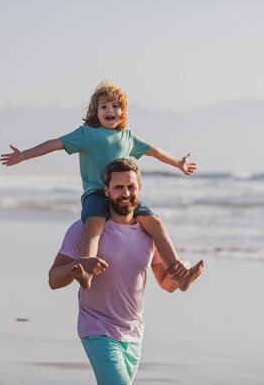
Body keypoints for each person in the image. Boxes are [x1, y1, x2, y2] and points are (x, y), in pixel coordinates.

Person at [0, 80, 200, 289]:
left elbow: (155, 151)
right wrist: (23, 155)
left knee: (156, 224)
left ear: (123, 112)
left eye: (115, 106)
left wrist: (178, 162)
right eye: (103, 106)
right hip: (96, 192)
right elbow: (54, 144)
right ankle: (86, 271)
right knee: (94, 223)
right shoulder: (86, 134)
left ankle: (178, 273)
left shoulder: (127, 137)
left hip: (123, 194)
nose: (109, 110)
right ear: (95, 112)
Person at [48, 158, 204, 385]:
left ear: (139, 188)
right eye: (118, 187)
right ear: (106, 190)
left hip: (133, 333)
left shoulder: (148, 233)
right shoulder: (83, 229)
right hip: (97, 327)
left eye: (131, 187)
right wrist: (76, 268)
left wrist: (182, 270)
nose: (126, 193)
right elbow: (53, 279)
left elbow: (166, 283)